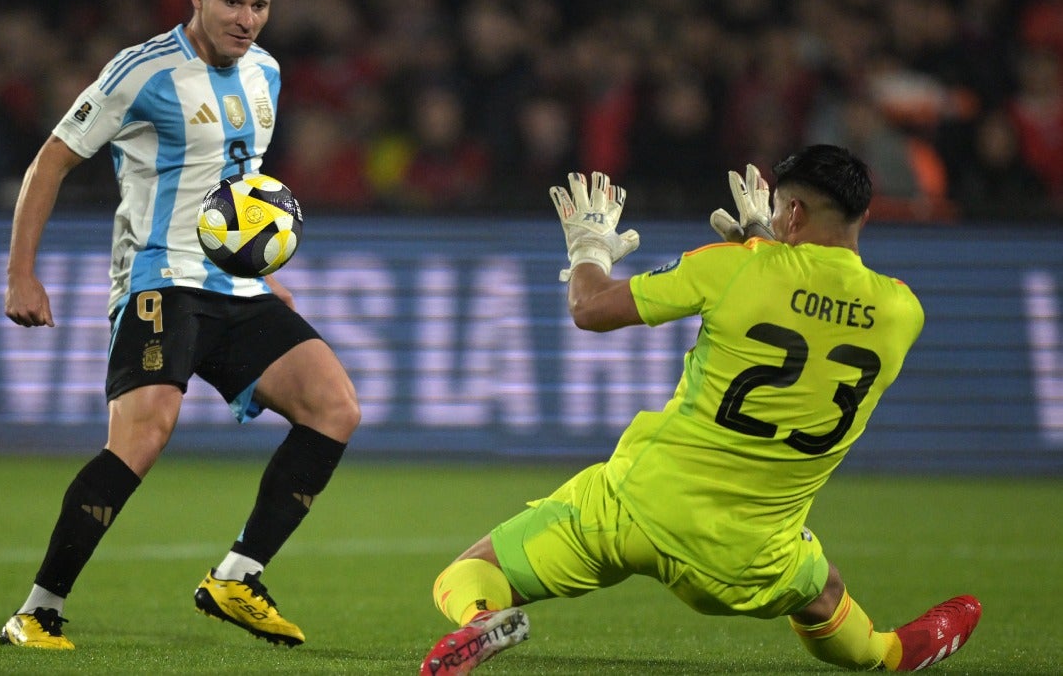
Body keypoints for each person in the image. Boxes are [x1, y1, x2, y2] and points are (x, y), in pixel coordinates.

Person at [420, 145, 981, 674]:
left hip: (636, 511)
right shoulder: (902, 311)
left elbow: (590, 308)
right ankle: (890, 653)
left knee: (471, 572)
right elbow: (813, 302)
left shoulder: (735, 267)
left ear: (794, 211)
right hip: (752, 556)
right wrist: (766, 239)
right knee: (823, 589)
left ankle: (481, 621)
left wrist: (589, 245)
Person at [0, 0, 359, 650]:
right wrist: (22, 272)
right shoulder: (141, 71)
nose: (247, 18)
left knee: (334, 407)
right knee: (142, 437)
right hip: (160, 280)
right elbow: (50, 163)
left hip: (233, 288)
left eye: (260, 4)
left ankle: (237, 576)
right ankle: (37, 612)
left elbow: (233, 192)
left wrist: (263, 276)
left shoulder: (267, 74)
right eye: (232, 0)